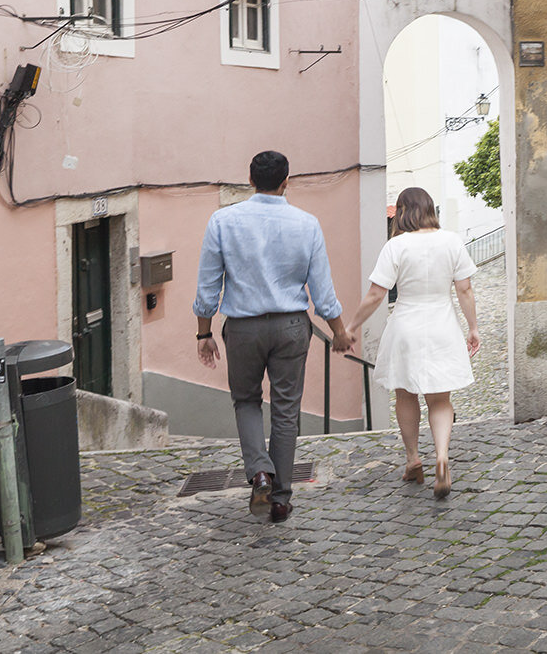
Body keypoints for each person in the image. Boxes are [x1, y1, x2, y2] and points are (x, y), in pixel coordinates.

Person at [193, 150, 351, 523]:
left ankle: (259, 472)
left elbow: (207, 286)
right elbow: (323, 292)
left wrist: (204, 332)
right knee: (285, 411)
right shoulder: (307, 224)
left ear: (250, 180)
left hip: (244, 328)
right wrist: (339, 332)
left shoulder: (222, 221)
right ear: (286, 182)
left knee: (246, 400)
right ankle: (280, 499)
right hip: (292, 327)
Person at [347, 186, 480, 500]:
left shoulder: (396, 246)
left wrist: (352, 325)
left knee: (405, 394)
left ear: (404, 212)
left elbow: (377, 294)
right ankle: (442, 458)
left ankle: (413, 460)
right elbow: (465, 290)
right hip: (442, 325)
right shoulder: (451, 241)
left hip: (406, 325)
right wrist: (473, 327)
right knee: (440, 399)